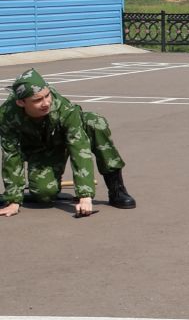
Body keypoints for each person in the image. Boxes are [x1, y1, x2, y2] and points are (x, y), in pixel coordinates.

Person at [0, 69, 136, 217]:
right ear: (21, 102)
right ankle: (33, 191)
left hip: (64, 138)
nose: (46, 103)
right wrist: (13, 200)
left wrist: (85, 195)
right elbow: (11, 156)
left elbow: (79, 147)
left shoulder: (64, 109)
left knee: (95, 122)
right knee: (44, 194)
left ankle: (117, 189)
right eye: (37, 100)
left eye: (47, 95)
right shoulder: (7, 116)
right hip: (39, 149)